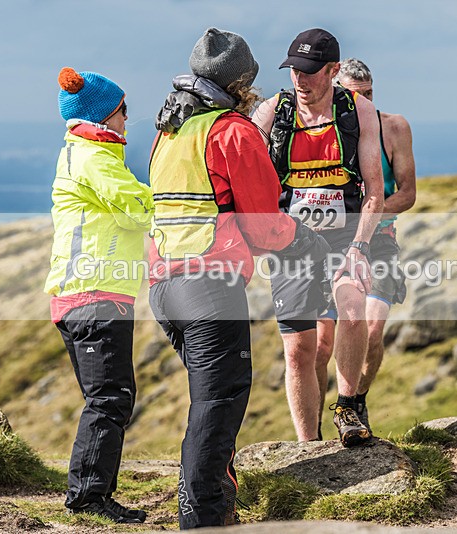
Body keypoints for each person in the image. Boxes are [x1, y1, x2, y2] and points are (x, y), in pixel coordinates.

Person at [147, 28, 329, 529]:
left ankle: (204, 507)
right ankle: (204, 517)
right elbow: (263, 225)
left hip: (163, 287)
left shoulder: (170, 130)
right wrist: (304, 239)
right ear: (242, 82)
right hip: (208, 287)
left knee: (208, 401)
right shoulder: (233, 131)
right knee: (219, 402)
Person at [252, 28, 385, 447]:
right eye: (294, 70)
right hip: (290, 238)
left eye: (310, 71)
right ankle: (308, 446)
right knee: (299, 351)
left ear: (332, 70)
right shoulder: (273, 112)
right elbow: (245, 174)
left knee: (353, 308)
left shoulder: (358, 111)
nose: (300, 80)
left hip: (344, 233)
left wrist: (360, 246)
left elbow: (375, 191)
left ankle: (347, 406)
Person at [45, 67, 154, 523]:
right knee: (109, 398)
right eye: (123, 109)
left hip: (85, 295)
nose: (128, 118)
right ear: (104, 115)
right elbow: (138, 209)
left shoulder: (83, 152)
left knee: (109, 397)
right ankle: (88, 498)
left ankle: (95, 493)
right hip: (94, 295)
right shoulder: (95, 158)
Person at [312, 58, 416, 436]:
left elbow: (407, 194)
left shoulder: (394, 127)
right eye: (357, 95)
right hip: (327, 243)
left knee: (371, 329)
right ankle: (312, 431)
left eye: (370, 93)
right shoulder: (317, 129)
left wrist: (367, 218)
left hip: (380, 240)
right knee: (320, 345)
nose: (365, 102)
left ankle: (354, 403)